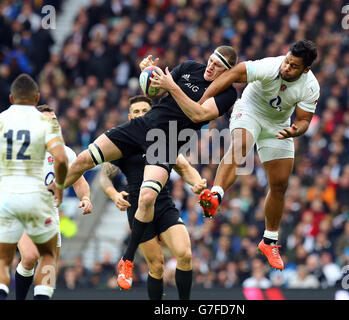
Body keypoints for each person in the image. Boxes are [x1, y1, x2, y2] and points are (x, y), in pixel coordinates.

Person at [61, 46, 238, 282]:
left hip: (165, 143)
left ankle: (127, 259)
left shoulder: (227, 93)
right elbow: (155, 93)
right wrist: (149, 75)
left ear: (228, 72)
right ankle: (49, 193)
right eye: (211, 60)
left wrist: (171, 86)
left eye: (218, 66)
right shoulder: (188, 68)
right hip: (144, 125)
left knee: (146, 198)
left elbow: (197, 115)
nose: (210, 66)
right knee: (83, 159)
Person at [197, 40, 320, 270]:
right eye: (286, 61)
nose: (286, 67)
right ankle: (215, 195)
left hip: (279, 126)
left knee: (280, 184)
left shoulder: (311, 87)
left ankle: (269, 240)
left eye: (293, 66)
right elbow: (233, 73)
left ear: (306, 69)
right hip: (250, 110)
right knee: (241, 146)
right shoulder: (269, 66)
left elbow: (304, 120)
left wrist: (296, 129)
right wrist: (203, 101)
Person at [99, 95, 206, 299]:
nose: (141, 115)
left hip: (164, 204)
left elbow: (184, 167)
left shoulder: (162, 140)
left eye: (145, 111)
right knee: (156, 266)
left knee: (185, 255)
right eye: (137, 112)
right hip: (138, 209)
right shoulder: (122, 142)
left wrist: (198, 182)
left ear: (153, 114)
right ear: (131, 117)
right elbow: (104, 177)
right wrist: (113, 195)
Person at [14, 104, 93, 300]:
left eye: (54, 121)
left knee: (47, 271)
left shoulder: (66, 153)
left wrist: (85, 198)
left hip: (49, 215)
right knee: (31, 256)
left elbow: (80, 182)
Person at [0, 74, 68, 300]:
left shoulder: (2, 120)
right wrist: (58, 186)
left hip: (7, 198)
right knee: (48, 255)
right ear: (37, 97)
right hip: (34, 198)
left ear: (11, 98)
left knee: (5, 259)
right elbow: (60, 159)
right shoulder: (44, 124)